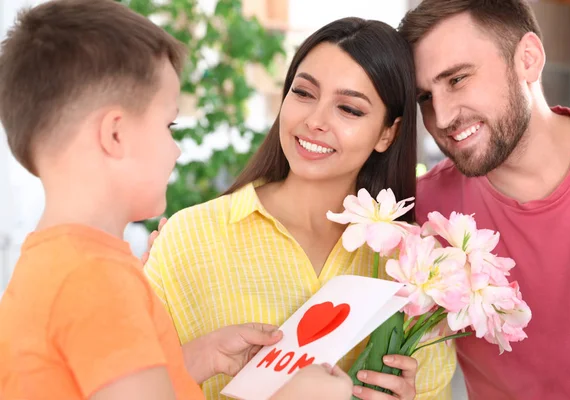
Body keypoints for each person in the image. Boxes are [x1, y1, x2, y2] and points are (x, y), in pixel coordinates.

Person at [0, 1, 353, 399]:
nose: (176, 151)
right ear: (115, 135)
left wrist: (191, 359)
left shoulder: (56, 264)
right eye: (169, 125)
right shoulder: (96, 280)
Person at [144, 17, 456, 400]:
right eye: (304, 93)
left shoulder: (414, 268)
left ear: (387, 133)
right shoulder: (190, 238)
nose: (314, 121)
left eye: (349, 109)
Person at [398, 0, 570, 398]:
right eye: (424, 97)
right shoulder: (420, 216)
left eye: (457, 80)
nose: (440, 117)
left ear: (528, 58)